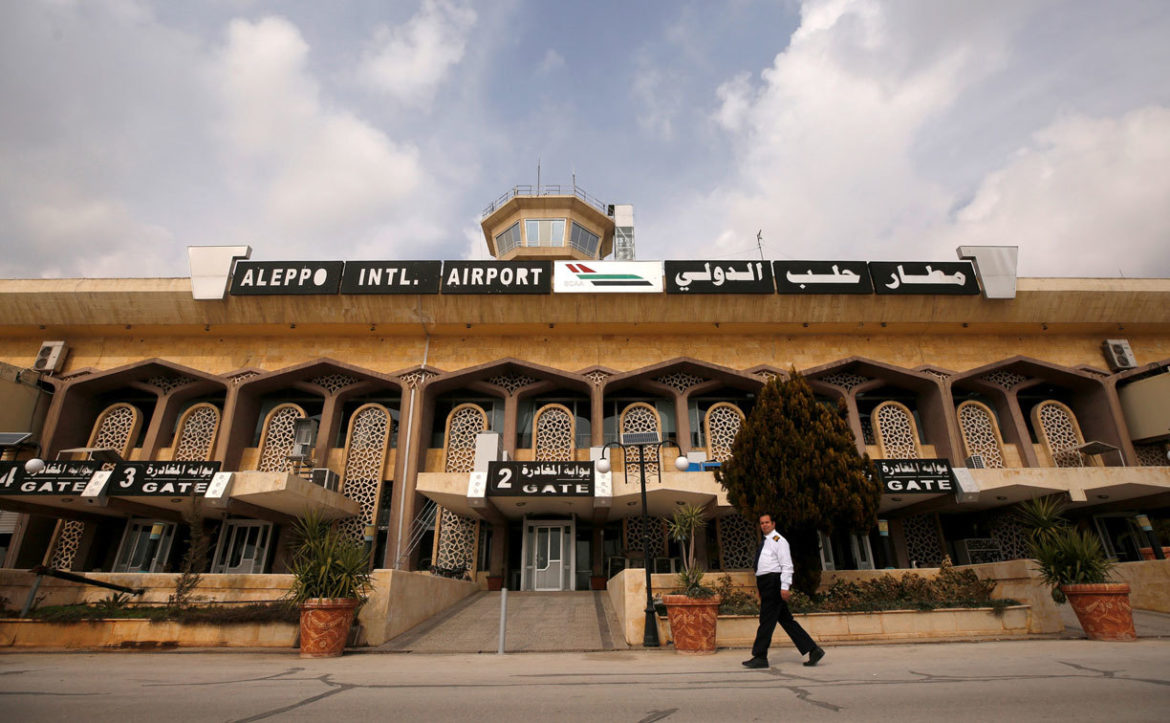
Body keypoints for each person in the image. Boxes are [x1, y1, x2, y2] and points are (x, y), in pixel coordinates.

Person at [742, 513, 825, 669]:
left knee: (766, 620)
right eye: (762, 523)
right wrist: (760, 588)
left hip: (774, 583)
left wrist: (784, 587)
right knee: (786, 621)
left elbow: (786, 565)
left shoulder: (779, 541)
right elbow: (762, 568)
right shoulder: (766, 542)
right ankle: (813, 650)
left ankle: (760, 656)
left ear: (773, 524)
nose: (764, 525)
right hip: (766, 584)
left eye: (767, 522)